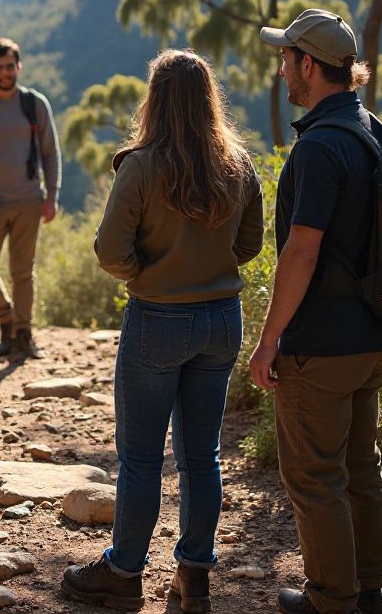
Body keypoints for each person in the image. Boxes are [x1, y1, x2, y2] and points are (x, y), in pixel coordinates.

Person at [62, 49, 263, 614]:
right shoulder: (238, 164)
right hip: (223, 319)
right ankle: (195, 575)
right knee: (204, 456)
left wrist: (148, 272)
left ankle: (125, 573)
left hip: (158, 319)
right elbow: (248, 247)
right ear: (208, 101)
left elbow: (109, 252)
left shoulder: (143, 166)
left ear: (155, 101)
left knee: (143, 458)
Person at [250, 9, 382, 614]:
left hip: (322, 344)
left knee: (315, 478)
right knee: (361, 468)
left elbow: (301, 251)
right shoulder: (373, 130)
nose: (282, 68)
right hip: (375, 337)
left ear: (309, 65)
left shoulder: (318, 148)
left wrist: (268, 341)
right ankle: (366, 591)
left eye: (286, 58)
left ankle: (331, 601)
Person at [0, 38, 61, 359]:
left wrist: (52, 196)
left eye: (10, 66)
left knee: (23, 272)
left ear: (18, 66)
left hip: (30, 200)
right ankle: (7, 321)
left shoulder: (35, 104)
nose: (5, 72)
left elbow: (50, 152)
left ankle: (23, 334)